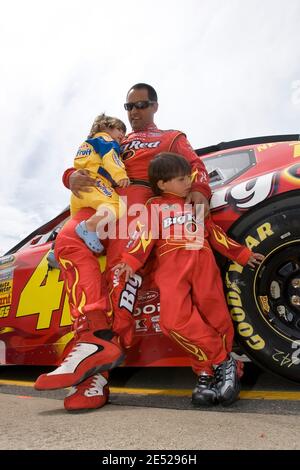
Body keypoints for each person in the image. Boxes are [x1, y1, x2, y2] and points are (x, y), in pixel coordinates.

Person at [34, 83, 212, 411]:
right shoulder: (114, 139)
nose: (134, 112)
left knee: (118, 282)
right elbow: (84, 162)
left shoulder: (171, 136)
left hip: (139, 211)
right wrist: (69, 176)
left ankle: (96, 379)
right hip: (104, 206)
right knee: (68, 240)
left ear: (154, 106)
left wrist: (200, 188)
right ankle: (96, 342)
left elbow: (194, 165)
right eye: (129, 107)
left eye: (141, 105)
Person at [114, 153, 264, 406]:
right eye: (182, 179)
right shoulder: (154, 206)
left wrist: (243, 254)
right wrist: (129, 261)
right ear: (162, 184)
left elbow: (214, 233)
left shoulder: (195, 205)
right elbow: (144, 236)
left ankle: (206, 372)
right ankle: (223, 360)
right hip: (171, 267)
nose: (188, 183)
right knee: (172, 321)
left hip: (203, 263)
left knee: (217, 318)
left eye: (189, 178)